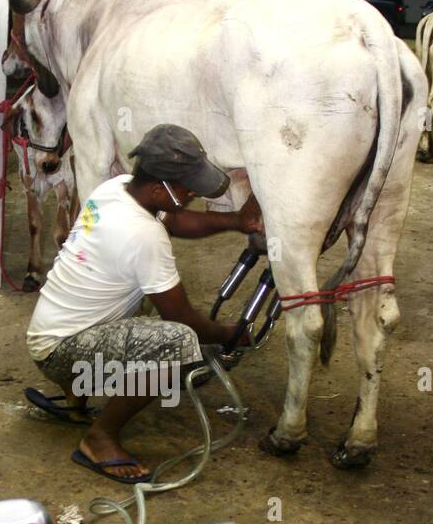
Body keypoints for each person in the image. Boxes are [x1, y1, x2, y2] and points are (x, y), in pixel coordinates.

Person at [25, 123, 264, 483]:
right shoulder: (143, 236)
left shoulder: (116, 189)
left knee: (148, 294)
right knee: (178, 340)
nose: (193, 197)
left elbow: (177, 219)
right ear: (158, 188)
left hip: (50, 334)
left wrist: (235, 221)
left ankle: (76, 395)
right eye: (188, 191)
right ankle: (100, 438)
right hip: (63, 352)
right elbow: (181, 316)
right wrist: (227, 334)